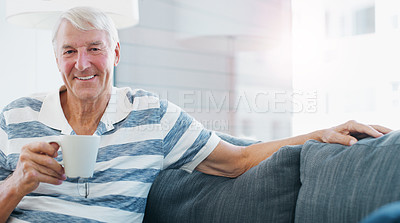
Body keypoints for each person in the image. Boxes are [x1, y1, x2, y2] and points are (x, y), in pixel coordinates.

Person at [0, 6, 392, 223]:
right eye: (70, 51)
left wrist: (320, 132)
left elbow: (237, 160)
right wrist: (17, 183)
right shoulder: (16, 116)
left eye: (95, 49)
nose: (82, 64)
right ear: (56, 58)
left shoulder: (151, 115)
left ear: (116, 54)